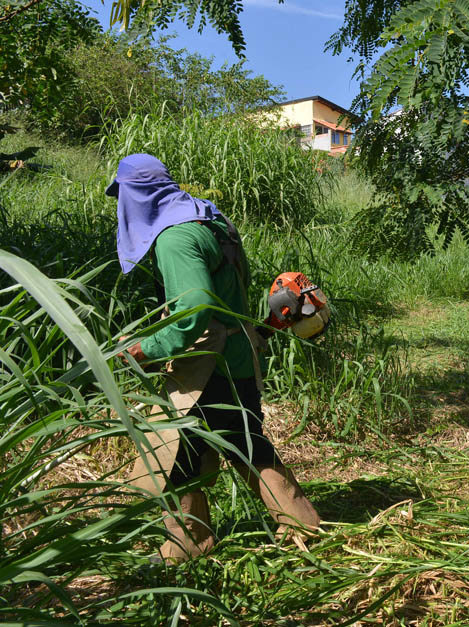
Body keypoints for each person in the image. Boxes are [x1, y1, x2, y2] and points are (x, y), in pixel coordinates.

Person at [110, 153, 320, 562]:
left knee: (174, 457)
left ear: (136, 195)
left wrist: (144, 348)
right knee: (246, 444)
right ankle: (302, 523)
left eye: (123, 195)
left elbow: (194, 315)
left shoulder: (175, 238)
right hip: (239, 357)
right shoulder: (210, 219)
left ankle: (188, 544)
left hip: (206, 366)